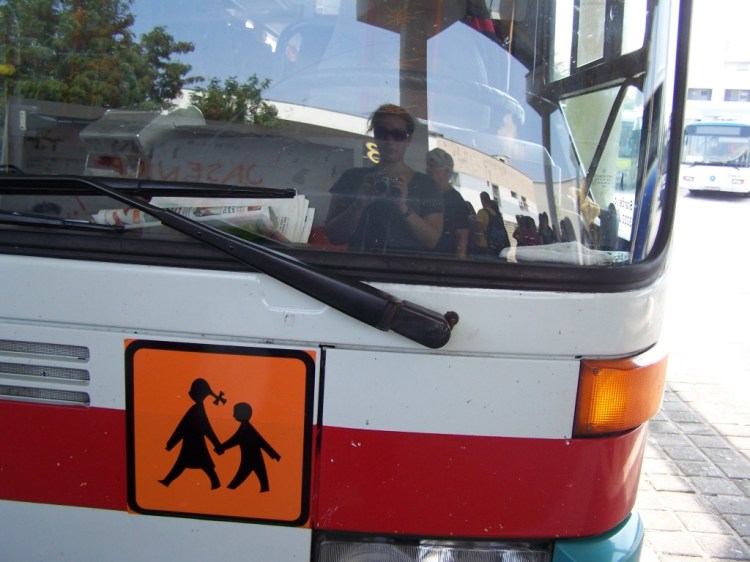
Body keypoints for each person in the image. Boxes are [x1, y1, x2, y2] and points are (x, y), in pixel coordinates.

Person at [324, 104, 444, 252]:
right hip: (359, 264)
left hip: (406, 266)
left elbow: (431, 240)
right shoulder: (352, 178)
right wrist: (359, 204)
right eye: (382, 133)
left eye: (398, 134)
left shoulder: (426, 185)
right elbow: (333, 236)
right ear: (375, 136)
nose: (390, 140)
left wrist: (403, 207)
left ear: (408, 139)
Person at [159, 378, 224, 490]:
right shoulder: (196, 409)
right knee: (185, 463)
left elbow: (205, 428)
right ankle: (167, 481)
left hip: (194, 443)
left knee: (194, 464)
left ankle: (216, 483)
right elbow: (183, 427)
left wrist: (217, 444)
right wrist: (171, 444)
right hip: (191, 442)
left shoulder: (196, 409)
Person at [216, 402, 281, 492]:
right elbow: (262, 442)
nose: (233, 415)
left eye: (235, 412)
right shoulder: (247, 428)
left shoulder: (245, 429)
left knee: (240, 479)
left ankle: (229, 490)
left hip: (250, 458)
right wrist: (274, 455)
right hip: (255, 458)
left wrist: (221, 448)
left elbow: (234, 440)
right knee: (263, 482)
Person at [426, 148, 469, 259]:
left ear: (446, 170)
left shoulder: (456, 200)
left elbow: (462, 237)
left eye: (432, 166)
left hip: (445, 261)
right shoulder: (428, 195)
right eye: (428, 166)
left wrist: (458, 265)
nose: (427, 170)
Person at [475, 191, 509, 257]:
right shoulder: (496, 213)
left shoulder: (481, 212)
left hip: (484, 244)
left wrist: (476, 239)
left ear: (482, 200)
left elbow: (478, 228)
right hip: (496, 245)